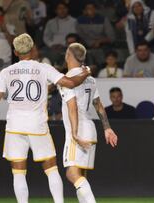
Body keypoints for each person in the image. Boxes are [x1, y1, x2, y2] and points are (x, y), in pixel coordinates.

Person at [0, 33, 90, 203]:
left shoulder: (6, 72)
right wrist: (85, 74)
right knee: (51, 168)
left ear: (16, 52)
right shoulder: (43, 68)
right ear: (33, 49)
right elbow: (70, 83)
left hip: (14, 126)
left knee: (18, 172)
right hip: (37, 126)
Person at [58, 42, 118, 203]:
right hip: (90, 129)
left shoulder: (66, 80)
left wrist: (75, 133)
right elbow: (98, 104)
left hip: (77, 130)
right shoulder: (90, 79)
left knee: (71, 174)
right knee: (81, 175)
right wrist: (107, 128)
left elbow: (72, 109)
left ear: (69, 56)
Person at [0, 6, 15, 70]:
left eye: (0, 16)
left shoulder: (10, 27)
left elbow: (12, 43)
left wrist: (5, 30)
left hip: (6, 60)